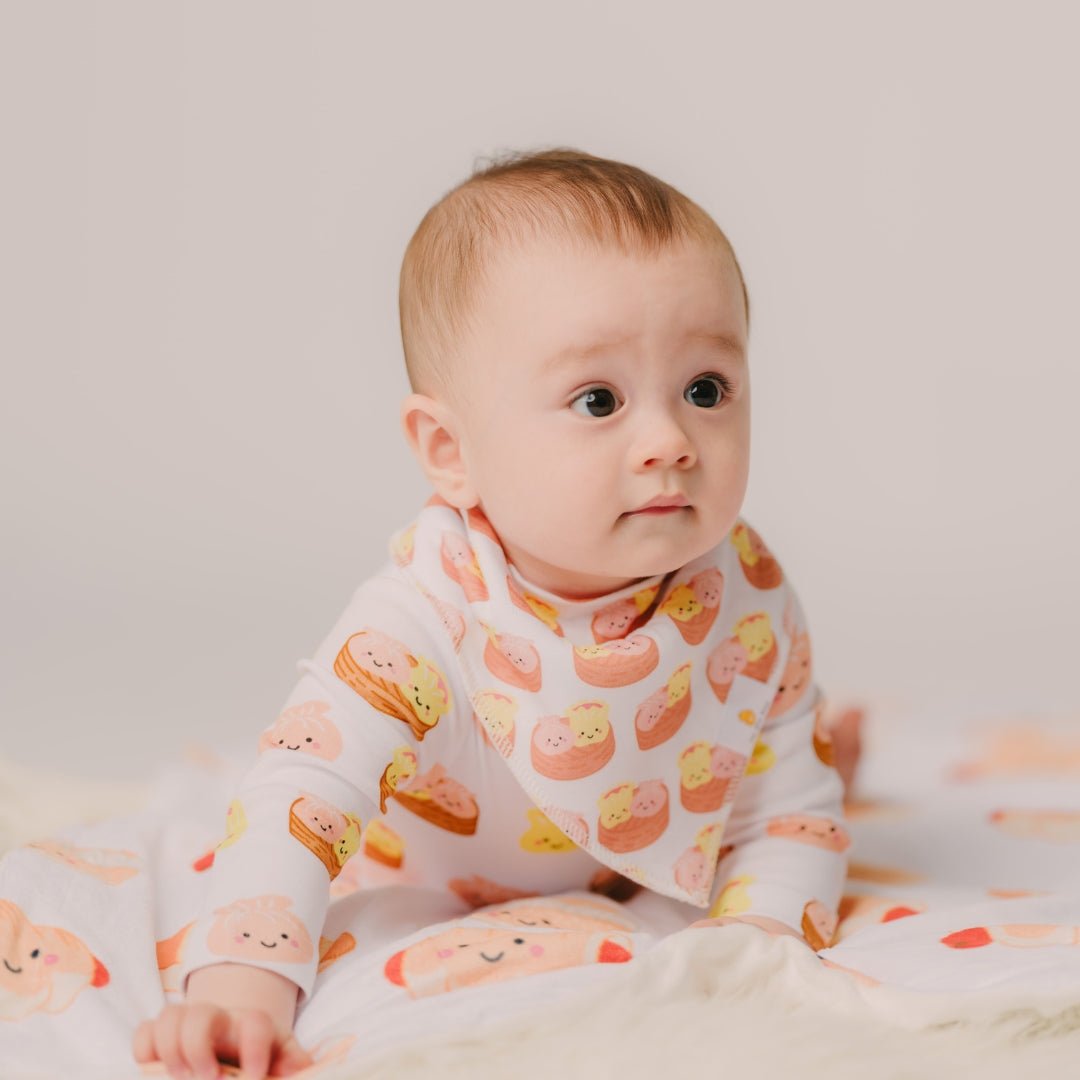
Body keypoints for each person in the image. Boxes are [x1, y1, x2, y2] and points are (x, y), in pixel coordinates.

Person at [133, 147, 863, 1080]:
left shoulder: (748, 603)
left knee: (798, 769)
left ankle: (833, 745)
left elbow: (787, 823)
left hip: (629, 850)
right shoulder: (424, 621)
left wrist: (759, 952)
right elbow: (303, 797)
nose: (671, 440)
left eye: (706, 389)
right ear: (451, 451)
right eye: (598, 400)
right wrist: (240, 988)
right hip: (428, 868)